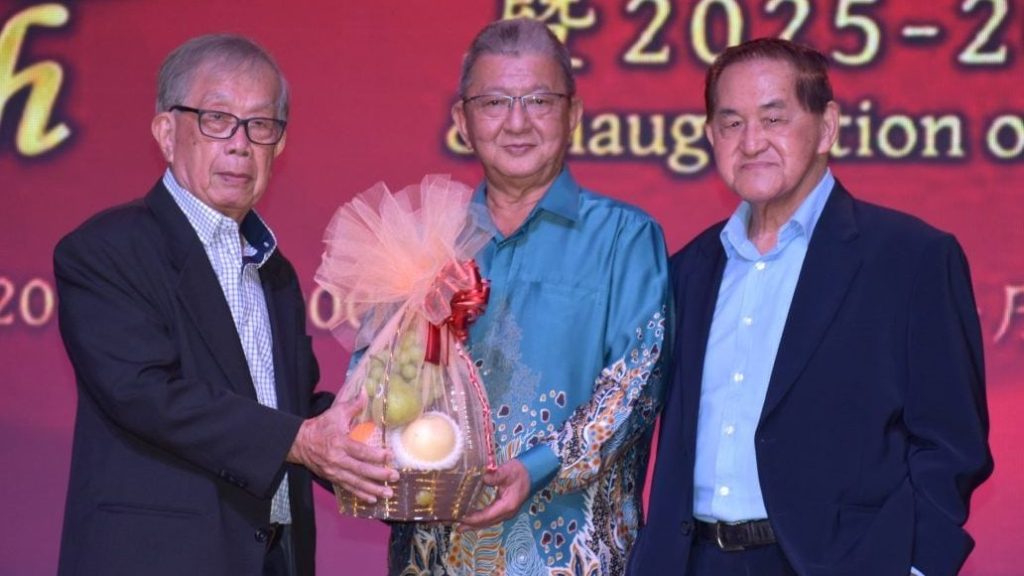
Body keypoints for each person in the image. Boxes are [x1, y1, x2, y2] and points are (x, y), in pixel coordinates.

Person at [628, 38, 993, 576]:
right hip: (695, 562)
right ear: (710, 137)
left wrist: (918, 565)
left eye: (774, 118)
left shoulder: (910, 258)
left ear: (827, 128)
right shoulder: (686, 269)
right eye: (731, 123)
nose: (751, 141)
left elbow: (952, 441)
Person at [54, 34, 396, 576]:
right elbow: (145, 393)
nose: (240, 144)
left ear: (278, 145)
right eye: (217, 119)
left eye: (261, 125)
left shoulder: (273, 270)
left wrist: (385, 445)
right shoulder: (106, 250)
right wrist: (302, 440)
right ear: (166, 132)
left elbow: (292, 413)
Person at [383, 18, 669, 575]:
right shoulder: (425, 242)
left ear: (573, 114)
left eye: (539, 100)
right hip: (434, 557)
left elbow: (634, 388)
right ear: (462, 121)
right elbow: (377, 385)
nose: (517, 122)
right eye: (493, 102)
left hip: (572, 557)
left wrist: (535, 467)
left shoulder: (624, 237)